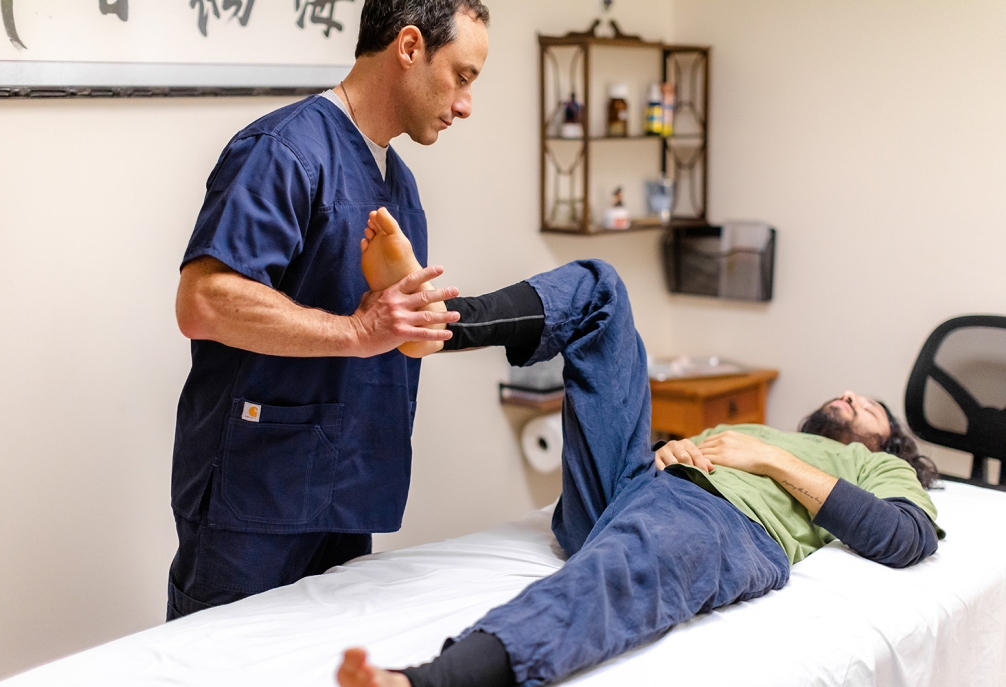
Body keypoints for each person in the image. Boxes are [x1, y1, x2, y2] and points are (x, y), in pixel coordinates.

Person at [334, 212, 943, 687]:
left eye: (867, 406)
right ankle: (441, 322)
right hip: (637, 485)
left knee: (635, 557)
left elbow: (906, 539)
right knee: (601, 288)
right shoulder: (766, 431)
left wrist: (769, 462)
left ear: (883, 437)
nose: (848, 397)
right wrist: (671, 451)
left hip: (729, 526)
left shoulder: (875, 464)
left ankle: (439, 679)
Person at [166, 0, 491, 620]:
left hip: (347, 491)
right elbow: (204, 301)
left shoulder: (400, 185)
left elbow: (387, 324)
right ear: (409, 47)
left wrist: (409, 323)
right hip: (257, 496)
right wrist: (357, 330)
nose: (466, 104)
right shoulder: (284, 151)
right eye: (463, 76)